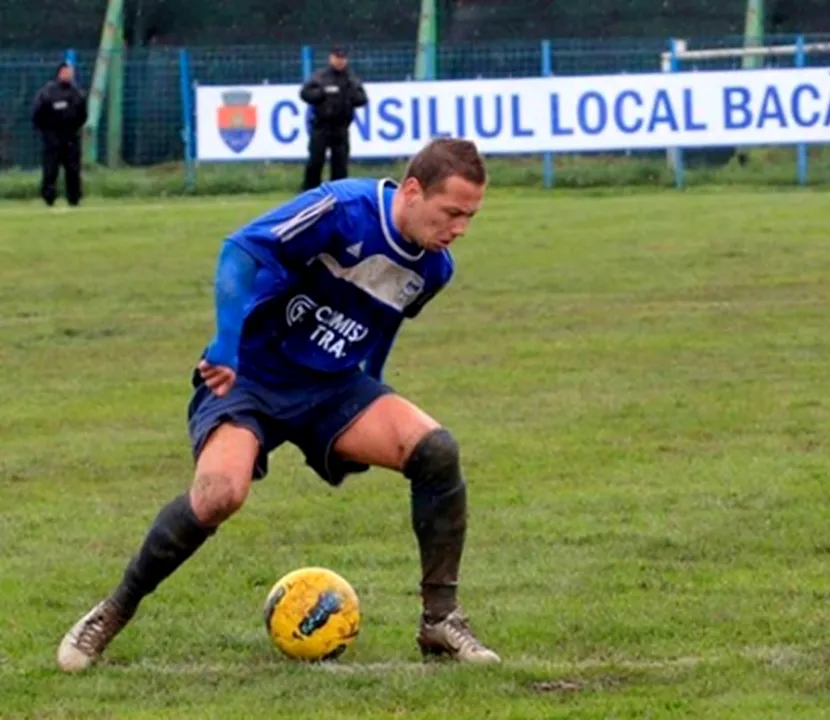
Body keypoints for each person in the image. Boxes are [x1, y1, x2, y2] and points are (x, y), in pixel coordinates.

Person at [56, 138, 501, 672]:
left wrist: (377, 390)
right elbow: (241, 250)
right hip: (250, 374)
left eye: (470, 217)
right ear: (412, 190)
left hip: (333, 388)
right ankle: (111, 611)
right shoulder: (341, 209)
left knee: (436, 451)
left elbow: (385, 321)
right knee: (220, 493)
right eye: (452, 212)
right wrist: (224, 344)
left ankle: (440, 622)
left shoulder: (435, 269)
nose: (459, 229)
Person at [300, 47, 368, 191]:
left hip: (341, 128)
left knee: (340, 164)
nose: (340, 61)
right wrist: (322, 93)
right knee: (315, 161)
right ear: (331, 58)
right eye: (337, 58)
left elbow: (362, 99)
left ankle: (339, 194)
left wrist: (349, 94)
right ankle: (309, 192)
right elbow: (305, 94)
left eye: (342, 58)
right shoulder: (320, 77)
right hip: (321, 126)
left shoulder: (351, 79)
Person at [31, 61, 88, 208]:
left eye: (70, 72)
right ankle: (49, 197)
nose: (69, 75)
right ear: (59, 73)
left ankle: (74, 198)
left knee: (73, 168)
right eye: (66, 71)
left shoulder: (77, 93)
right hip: (52, 137)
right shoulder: (47, 92)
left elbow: (83, 114)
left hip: (71, 137)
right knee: (50, 169)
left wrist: (73, 129)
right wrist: (46, 131)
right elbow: (38, 113)